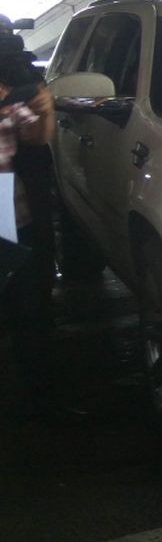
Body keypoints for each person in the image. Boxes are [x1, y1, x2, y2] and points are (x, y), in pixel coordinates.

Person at [0, 57, 59, 420]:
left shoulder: (6, 97)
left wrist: (45, 111)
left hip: (6, 203)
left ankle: (38, 397)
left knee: (24, 302)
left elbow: (35, 136)